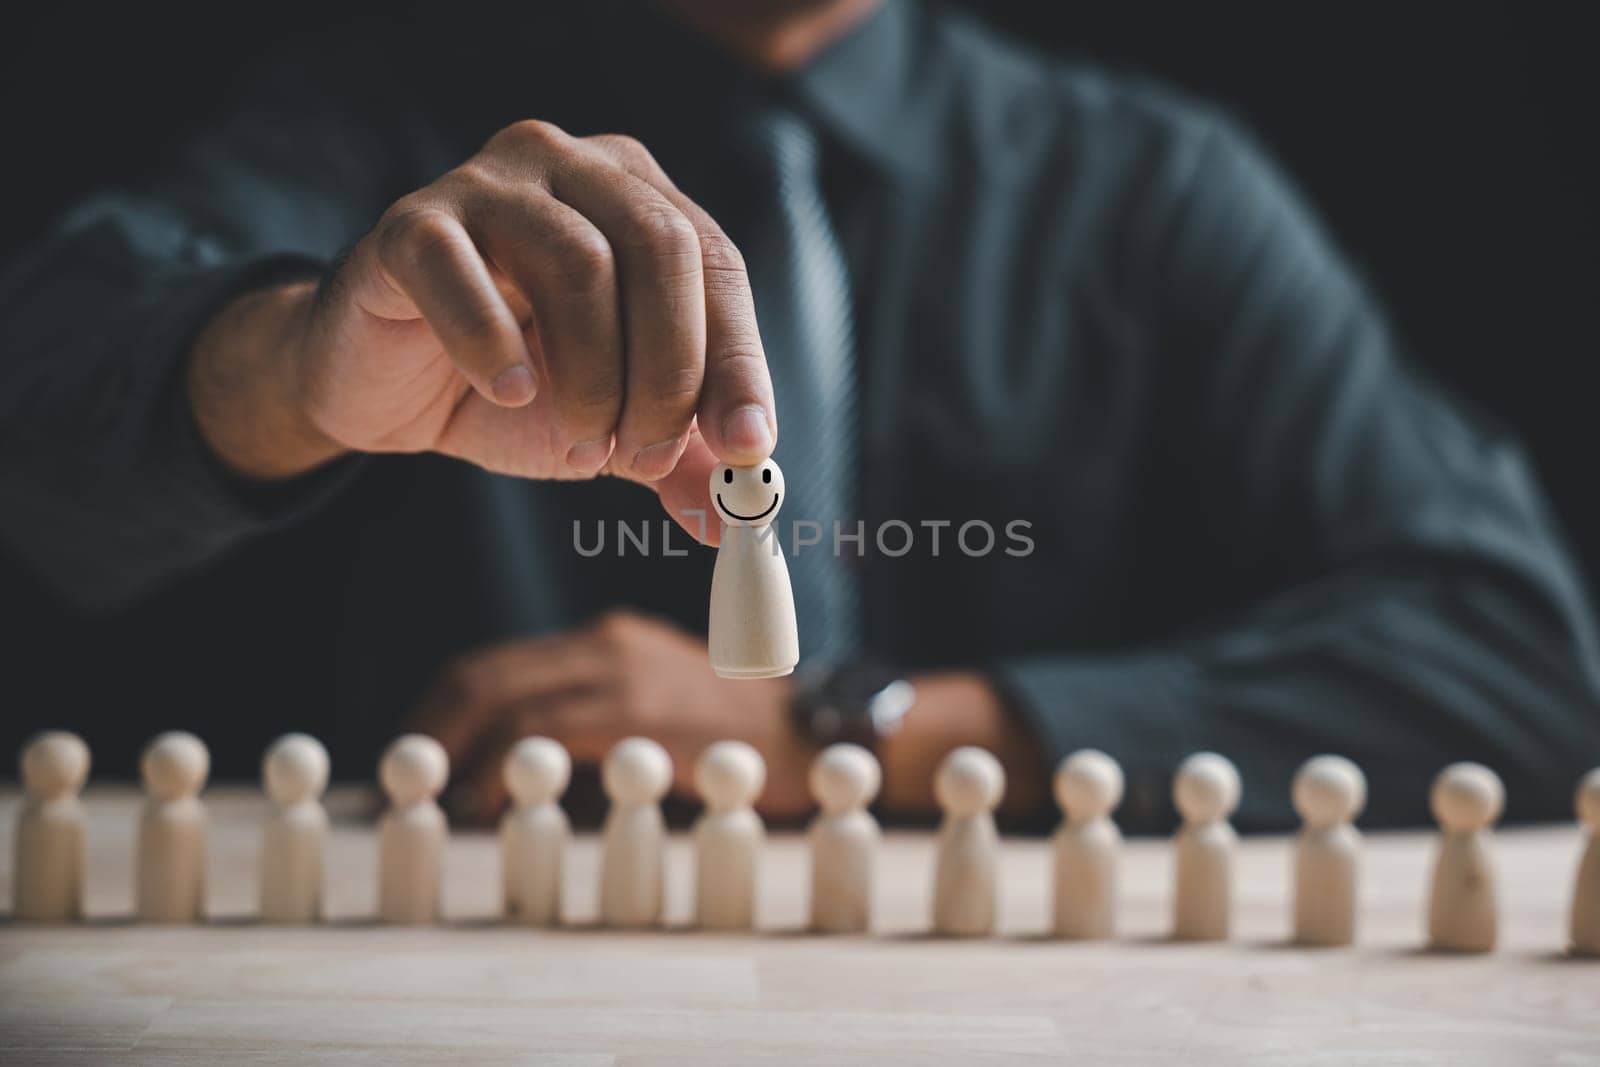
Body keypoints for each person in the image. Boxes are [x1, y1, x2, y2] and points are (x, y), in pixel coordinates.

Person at [1, 0, 1596, 829]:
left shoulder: (1152, 185)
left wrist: (842, 728)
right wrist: (291, 374)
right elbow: (43, 440)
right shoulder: (375, 124)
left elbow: (1516, 655)